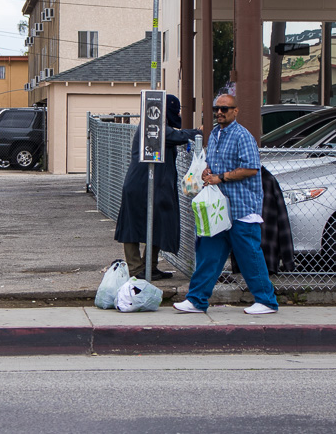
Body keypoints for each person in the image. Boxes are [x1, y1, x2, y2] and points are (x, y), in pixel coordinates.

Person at [173, 94, 279, 315]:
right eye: (216, 109)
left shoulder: (243, 136)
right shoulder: (215, 134)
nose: (219, 112)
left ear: (236, 111)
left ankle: (267, 301)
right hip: (218, 208)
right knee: (208, 255)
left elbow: (251, 168)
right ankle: (196, 300)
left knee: (249, 255)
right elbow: (214, 164)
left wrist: (220, 177)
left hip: (241, 207)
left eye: (225, 108)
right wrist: (207, 171)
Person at [114, 95, 201, 280]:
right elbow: (177, 136)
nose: (178, 114)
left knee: (158, 224)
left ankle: (150, 267)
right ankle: (136, 269)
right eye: (176, 111)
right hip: (139, 184)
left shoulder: (159, 128)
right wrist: (198, 132)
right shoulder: (152, 128)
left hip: (154, 185)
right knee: (132, 226)